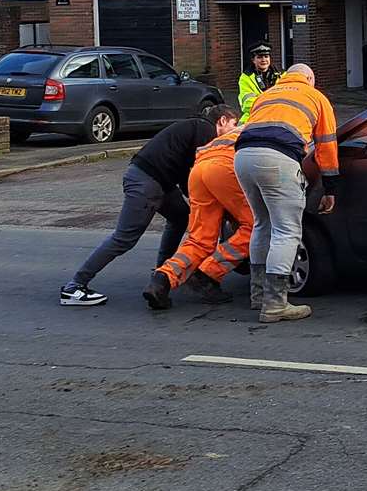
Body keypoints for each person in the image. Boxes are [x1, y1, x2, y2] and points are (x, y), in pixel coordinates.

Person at [60, 104, 237, 306]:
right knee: (124, 237)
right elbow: (200, 173)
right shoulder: (206, 131)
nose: (234, 130)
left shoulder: (193, 127)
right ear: (222, 121)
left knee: (181, 217)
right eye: (234, 124)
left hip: (159, 180)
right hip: (147, 180)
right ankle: (74, 287)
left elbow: (189, 175)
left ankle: (162, 274)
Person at [233, 64, 339, 323]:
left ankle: (257, 295)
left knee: (262, 224)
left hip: (242, 157)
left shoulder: (267, 94)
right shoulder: (316, 97)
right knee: (287, 230)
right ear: (310, 79)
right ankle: (274, 304)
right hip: (278, 160)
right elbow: (326, 145)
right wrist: (330, 187)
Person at [142, 124, 253, 311]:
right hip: (225, 167)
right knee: (256, 226)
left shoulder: (251, 123)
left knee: (200, 238)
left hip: (200, 167)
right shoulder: (292, 126)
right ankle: (208, 273)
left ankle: (162, 280)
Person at [237, 43, 279, 114]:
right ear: (253, 60)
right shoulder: (246, 78)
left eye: (266, 56)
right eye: (259, 57)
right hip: (255, 118)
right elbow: (247, 104)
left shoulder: (282, 76)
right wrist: (271, 104)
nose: (263, 60)